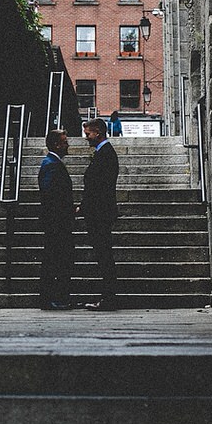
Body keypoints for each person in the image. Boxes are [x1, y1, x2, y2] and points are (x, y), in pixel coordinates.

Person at [79, 116, 120, 309]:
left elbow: (98, 188)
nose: (86, 137)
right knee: (103, 254)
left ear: (98, 133)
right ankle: (108, 296)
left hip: (100, 214)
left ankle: (108, 297)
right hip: (100, 212)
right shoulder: (103, 152)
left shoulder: (105, 154)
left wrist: (85, 206)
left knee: (104, 255)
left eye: (88, 134)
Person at [37, 128, 75, 309]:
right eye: (65, 142)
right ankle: (52, 299)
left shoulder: (53, 163)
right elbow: (50, 195)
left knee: (55, 259)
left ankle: (54, 298)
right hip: (56, 223)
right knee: (56, 260)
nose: (68, 145)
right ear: (56, 144)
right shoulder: (52, 164)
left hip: (57, 221)